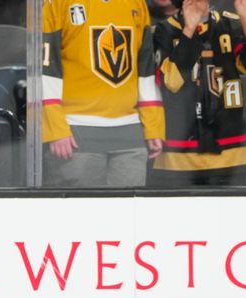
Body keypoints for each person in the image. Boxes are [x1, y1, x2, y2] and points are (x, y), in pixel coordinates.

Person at [42, 0, 165, 187]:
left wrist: (153, 126)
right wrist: (55, 129)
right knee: (82, 213)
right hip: (76, 134)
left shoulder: (137, 3)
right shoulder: (57, 3)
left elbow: (145, 70)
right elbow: (46, 69)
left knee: (129, 212)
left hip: (130, 134)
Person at [149, 0, 246, 186]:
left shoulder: (231, 23)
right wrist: (189, 30)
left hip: (233, 156)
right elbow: (170, 82)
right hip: (178, 160)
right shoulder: (163, 31)